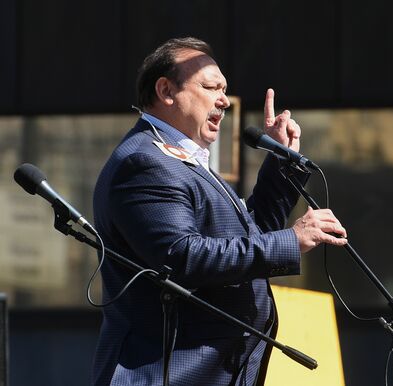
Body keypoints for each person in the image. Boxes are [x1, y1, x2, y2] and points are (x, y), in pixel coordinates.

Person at [92, 37, 348, 386]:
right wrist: (291, 240)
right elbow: (183, 256)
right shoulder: (145, 162)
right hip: (172, 372)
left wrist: (280, 163)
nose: (224, 100)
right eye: (211, 86)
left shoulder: (184, 161)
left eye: (225, 89)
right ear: (166, 90)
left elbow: (248, 238)